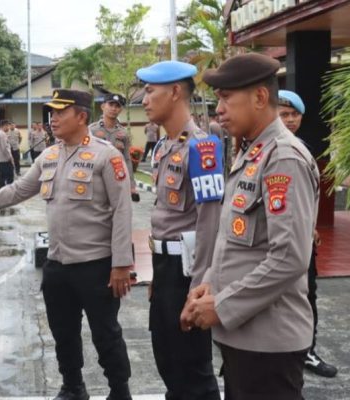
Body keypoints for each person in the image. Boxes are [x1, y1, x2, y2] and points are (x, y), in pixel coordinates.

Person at [0, 89, 134, 400]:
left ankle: (119, 390)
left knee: (106, 334)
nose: (53, 118)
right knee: (63, 333)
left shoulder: (106, 156)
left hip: (96, 265)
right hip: (58, 264)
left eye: (60, 112)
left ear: (82, 117)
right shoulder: (49, 155)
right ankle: (73, 387)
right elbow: (17, 190)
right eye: (52, 112)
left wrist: (121, 264)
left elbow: (123, 211)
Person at [181, 53, 319, 400]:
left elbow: (289, 258)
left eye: (227, 98)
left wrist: (222, 305)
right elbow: (236, 240)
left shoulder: (283, 158)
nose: (219, 110)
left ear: (259, 97)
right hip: (245, 337)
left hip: (269, 342)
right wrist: (209, 283)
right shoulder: (252, 153)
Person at [137, 61, 222, 400]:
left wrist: (200, 286)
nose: (144, 99)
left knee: (193, 367)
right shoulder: (164, 146)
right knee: (167, 358)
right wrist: (157, 275)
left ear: (174, 92)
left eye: (149, 91)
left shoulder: (202, 148)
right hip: (166, 268)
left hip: (188, 272)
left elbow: (210, 222)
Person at [278, 89, 338, 378]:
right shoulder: (260, 148)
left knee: (307, 294)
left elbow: (308, 196)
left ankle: (308, 352)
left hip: (301, 239)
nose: (289, 120)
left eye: (294, 115)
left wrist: (311, 225)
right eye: (283, 115)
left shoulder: (303, 148)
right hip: (274, 240)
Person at [89, 94, 139, 202]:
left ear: (120, 109)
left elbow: (127, 159)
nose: (113, 108)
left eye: (117, 106)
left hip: (117, 179)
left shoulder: (123, 133)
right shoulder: (91, 131)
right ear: (103, 106)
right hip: (96, 180)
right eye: (111, 104)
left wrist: (131, 184)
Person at [0, 120, 15, 188]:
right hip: (5, 159)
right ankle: (7, 191)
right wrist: (10, 157)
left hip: (1, 159)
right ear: (4, 126)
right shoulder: (2, 134)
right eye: (7, 126)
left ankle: (2, 190)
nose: (8, 128)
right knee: (9, 176)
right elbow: (5, 148)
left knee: (2, 177)